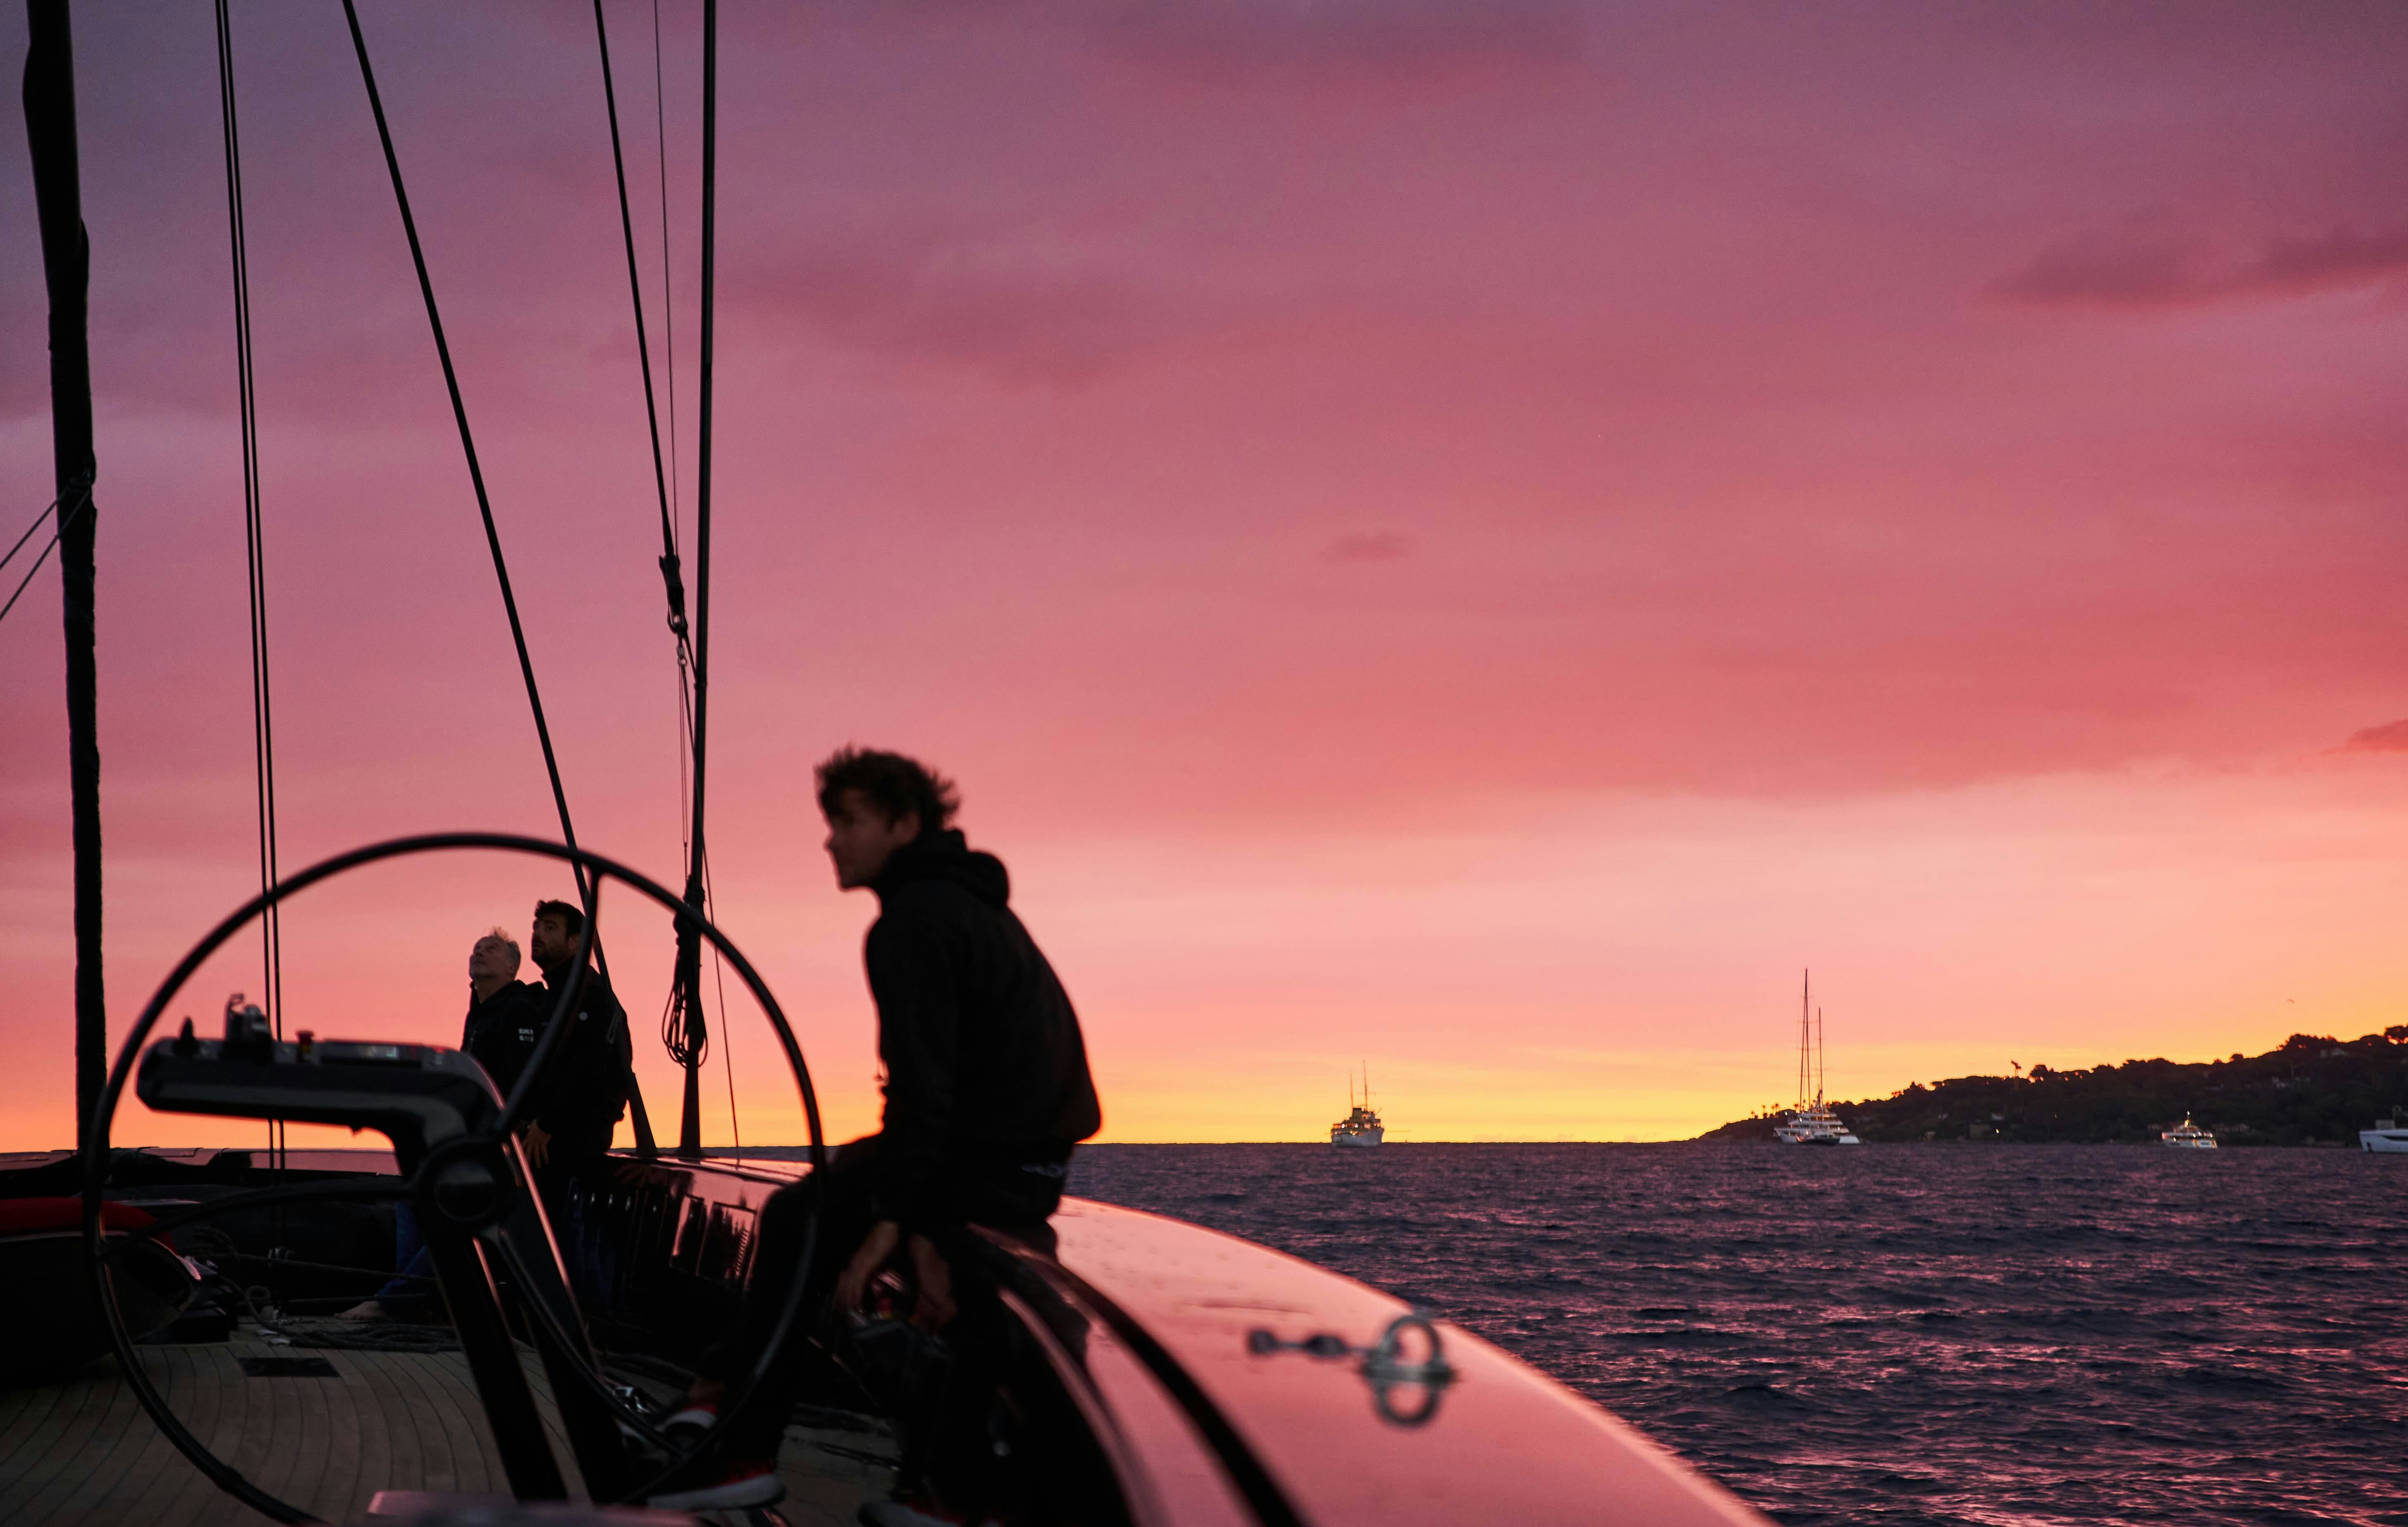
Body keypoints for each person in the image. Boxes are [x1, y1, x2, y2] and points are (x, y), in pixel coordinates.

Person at [649, 747, 1102, 1516]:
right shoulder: (975, 905)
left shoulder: (912, 923)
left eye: (849, 822)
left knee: (798, 1217)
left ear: (904, 822)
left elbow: (925, 1096)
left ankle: (737, 1441)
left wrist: (903, 1221)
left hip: (981, 1157)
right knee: (855, 1186)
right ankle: (943, 1488)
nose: (832, 840)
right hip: (1033, 1166)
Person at [340, 927, 544, 1323]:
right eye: (477, 948)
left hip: (497, 1146)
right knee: (411, 1199)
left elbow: (529, 1078)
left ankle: (394, 1300)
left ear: (511, 967)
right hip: (468, 1138)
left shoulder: (518, 1009)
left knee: (450, 1209)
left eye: (492, 949)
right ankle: (410, 1296)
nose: (480, 953)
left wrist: (514, 1132)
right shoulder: (479, 1012)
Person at [523, 897, 632, 1305]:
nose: (537, 934)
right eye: (537, 927)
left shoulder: (591, 997)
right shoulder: (552, 997)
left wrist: (546, 1124)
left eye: (550, 928)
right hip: (547, 1130)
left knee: (546, 1220)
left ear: (575, 941)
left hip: (573, 1135)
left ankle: (556, 1311)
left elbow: (589, 1070)